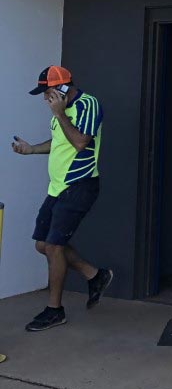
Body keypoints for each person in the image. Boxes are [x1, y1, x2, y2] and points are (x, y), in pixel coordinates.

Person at [11, 65, 112, 332]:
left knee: (55, 247)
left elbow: (80, 142)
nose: (45, 99)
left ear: (63, 88)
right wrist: (31, 149)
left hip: (79, 185)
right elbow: (59, 142)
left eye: (48, 92)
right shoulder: (59, 114)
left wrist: (60, 114)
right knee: (43, 244)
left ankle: (54, 310)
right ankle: (95, 275)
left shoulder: (88, 105)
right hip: (57, 188)